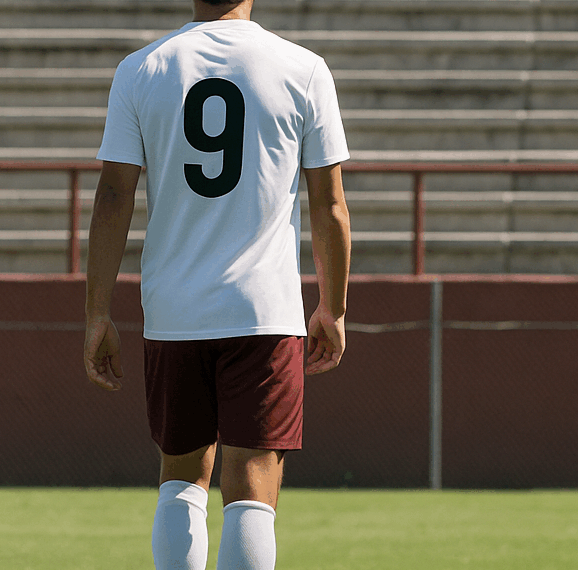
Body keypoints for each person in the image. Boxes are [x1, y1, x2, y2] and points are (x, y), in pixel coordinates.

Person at [82, 0, 351, 568]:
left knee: (180, 474)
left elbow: (112, 198)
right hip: (263, 310)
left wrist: (96, 313)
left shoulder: (142, 68)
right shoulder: (302, 68)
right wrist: (333, 306)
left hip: (175, 310)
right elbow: (330, 206)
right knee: (253, 481)